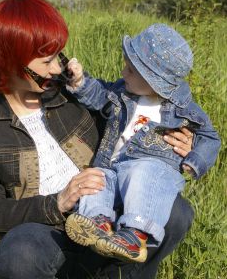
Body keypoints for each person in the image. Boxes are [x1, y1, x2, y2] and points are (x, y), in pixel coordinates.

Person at [0, 0, 194, 279]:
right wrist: (58, 202)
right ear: (10, 61)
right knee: (19, 256)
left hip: (104, 209)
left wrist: (173, 140)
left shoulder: (70, 88)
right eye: (46, 61)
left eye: (58, 55)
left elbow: (129, 124)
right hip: (44, 227)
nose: (58, 68)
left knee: (177, 212)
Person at [64, 24, 221, 264]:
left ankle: (134, 236)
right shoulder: (123, 92)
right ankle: (98, 224)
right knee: (95, 178)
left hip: (151, 172)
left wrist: (194, 160)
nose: (123, 72)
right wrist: (79, 83)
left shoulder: (183, 111)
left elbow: (210, 137)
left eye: (130, 70)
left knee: (142, 172)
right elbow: (99, 95)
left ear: (153, 80)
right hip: (112, 165)